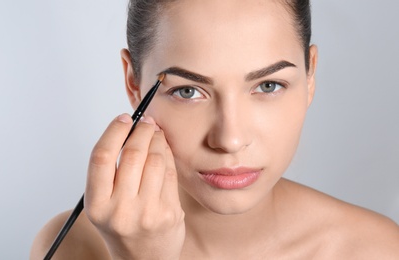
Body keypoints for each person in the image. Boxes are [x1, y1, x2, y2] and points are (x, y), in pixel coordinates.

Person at [30, 0, 399, 259]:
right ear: (133, 83)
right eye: (188, 91)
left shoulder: (380, 251)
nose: (230, 139)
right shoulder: (69, 247)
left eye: (268, 86)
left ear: (311, 75)